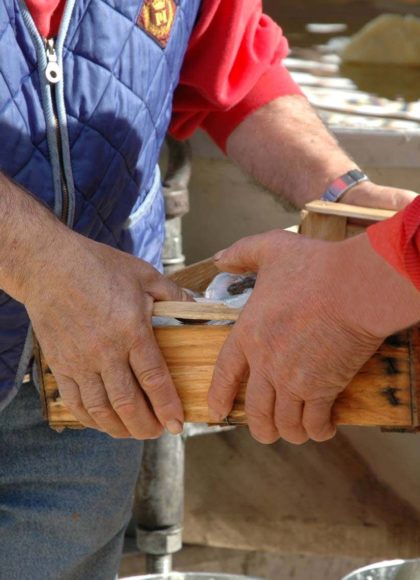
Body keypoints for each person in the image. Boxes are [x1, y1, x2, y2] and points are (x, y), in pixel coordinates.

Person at [0, 0, 417, 578]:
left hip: (105, 367)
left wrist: (343, 192)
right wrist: (45, 267)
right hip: (94, 327)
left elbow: (232, 64)